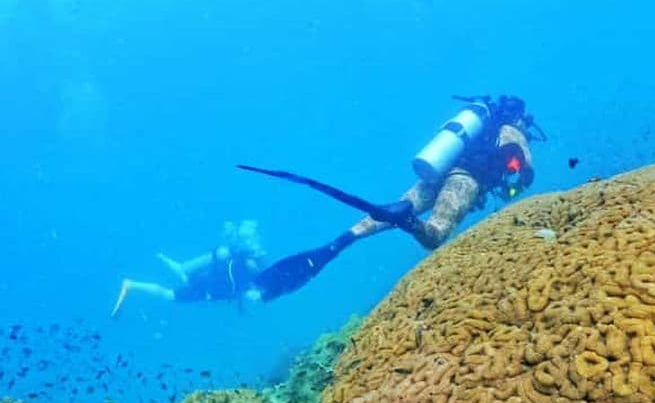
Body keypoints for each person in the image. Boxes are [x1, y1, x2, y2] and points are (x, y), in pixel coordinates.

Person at [239, 94, 546, 301]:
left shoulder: (474, 122)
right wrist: (512, 190)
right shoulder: (511, 130)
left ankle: (342, 241)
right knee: (434, 233)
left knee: (387, 212)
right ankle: (407, 219)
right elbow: (526, 172)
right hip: (465, 179)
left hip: (433, 173)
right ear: (520, 118)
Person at [111, 220, 268, 317]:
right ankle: (131, 284)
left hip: (205, 280)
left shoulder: (238, 260)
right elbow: (246, 291)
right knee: (169, 295)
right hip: (206, 286)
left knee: (183, 272)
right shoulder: (249, 267)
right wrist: (253, 295)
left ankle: (165, 259)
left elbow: (239, 286)